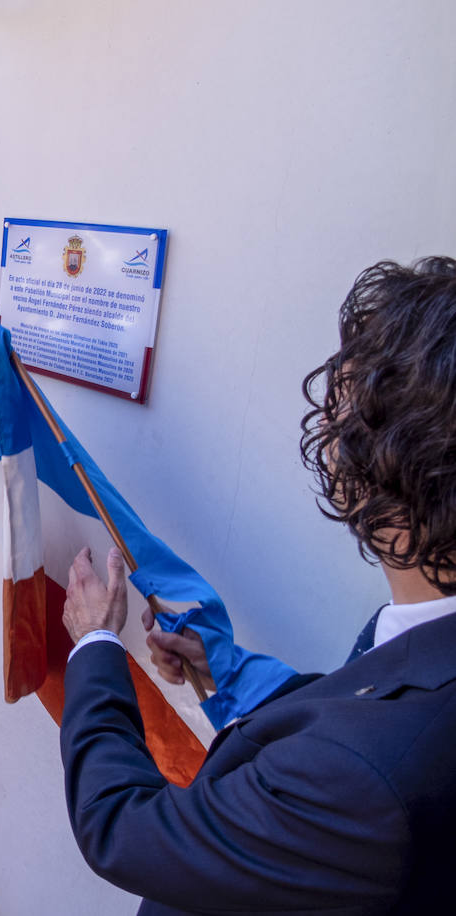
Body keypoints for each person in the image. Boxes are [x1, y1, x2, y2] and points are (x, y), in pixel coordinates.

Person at [58, 256, 456, 914]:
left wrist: (96, 643)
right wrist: (230, 672)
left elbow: (122, 829)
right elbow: (352, 704)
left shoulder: (361, 781)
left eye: (344, 425)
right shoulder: (426, 643)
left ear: (392, 472)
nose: (330, 443)